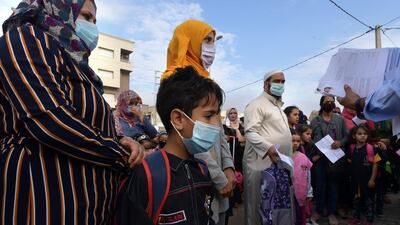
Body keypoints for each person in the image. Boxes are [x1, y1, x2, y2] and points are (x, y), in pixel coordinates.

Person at [0, 1, 144, 225]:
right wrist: (118, 154)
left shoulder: (80, 67)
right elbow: (50, 120)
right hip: (45, 197)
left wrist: (122, 140)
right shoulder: (26, 39)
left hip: (86, 203)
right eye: (86, 16)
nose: (92, 27)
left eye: (95, 20)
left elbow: (87, 122)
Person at [116, 66, 224, 225]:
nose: (217, 125)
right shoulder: (147, 174)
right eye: (209, 116)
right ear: (179, 119)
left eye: (217, 115)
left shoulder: (202, 168)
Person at [162, 19, 236, 225]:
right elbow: (190, 137)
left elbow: (218, 131)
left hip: (220, 174)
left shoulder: (209, 83)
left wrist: (228, 166)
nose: (212, 48)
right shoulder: (175, 83)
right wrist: (219, 177)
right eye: (207, 41)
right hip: (197, 176)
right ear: (189, 41)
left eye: (214, 42)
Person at [243, 69, 292, 225]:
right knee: (258, 206)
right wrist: (268, 147)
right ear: (266, 84)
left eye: (283, 82)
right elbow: (250, 132)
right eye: (276, 81)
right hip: (261, 164)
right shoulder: (256, 104)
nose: (280, 84)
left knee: (276, 207)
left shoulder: (279, 108)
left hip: (279, 165)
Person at [309, 95, 348, 225]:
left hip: (335, 160)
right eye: (327, 102)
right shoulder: (315, 121)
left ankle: (331, 213)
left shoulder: (340, 119)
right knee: (319, 186)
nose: (330, 104)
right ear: (321, 104)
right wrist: (317, 148)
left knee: (333, 186)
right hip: (319, 160)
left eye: (332, 102)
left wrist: (340, 143)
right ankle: (318, 211)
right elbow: (310, 139)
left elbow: (347, 137)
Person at [346, 125, 381, 225]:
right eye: (359, 134)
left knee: (369, 200)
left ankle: (369, 220)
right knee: (356, 200)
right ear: (354, 136)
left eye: (365, 134)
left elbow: (376, 163)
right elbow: (349, 161)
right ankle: (356, 217)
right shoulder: (351, 148)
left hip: (367, 180)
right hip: (355, 180)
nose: (362, 136)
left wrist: (372, 179)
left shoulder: (372, 149)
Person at [223, 107, 245, 225]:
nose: (233, 115)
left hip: (240, 154)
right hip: (229, 154)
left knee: (240, 176)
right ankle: (233, 198)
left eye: (235, 113)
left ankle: (239, 196)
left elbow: (244, 139)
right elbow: (224, 138)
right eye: (230, 113)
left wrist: (238, 134)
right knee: (232, 175)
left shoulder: (241, 126)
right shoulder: (225, 126)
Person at [291, 130, 314, 225]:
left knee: (300, 216)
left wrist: (309, 192)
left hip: (301, 193)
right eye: (292, 141)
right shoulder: (282, 157)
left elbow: (308, 175)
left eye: (298, 141)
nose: (295, 143)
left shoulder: (303, 158)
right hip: (288, 193)